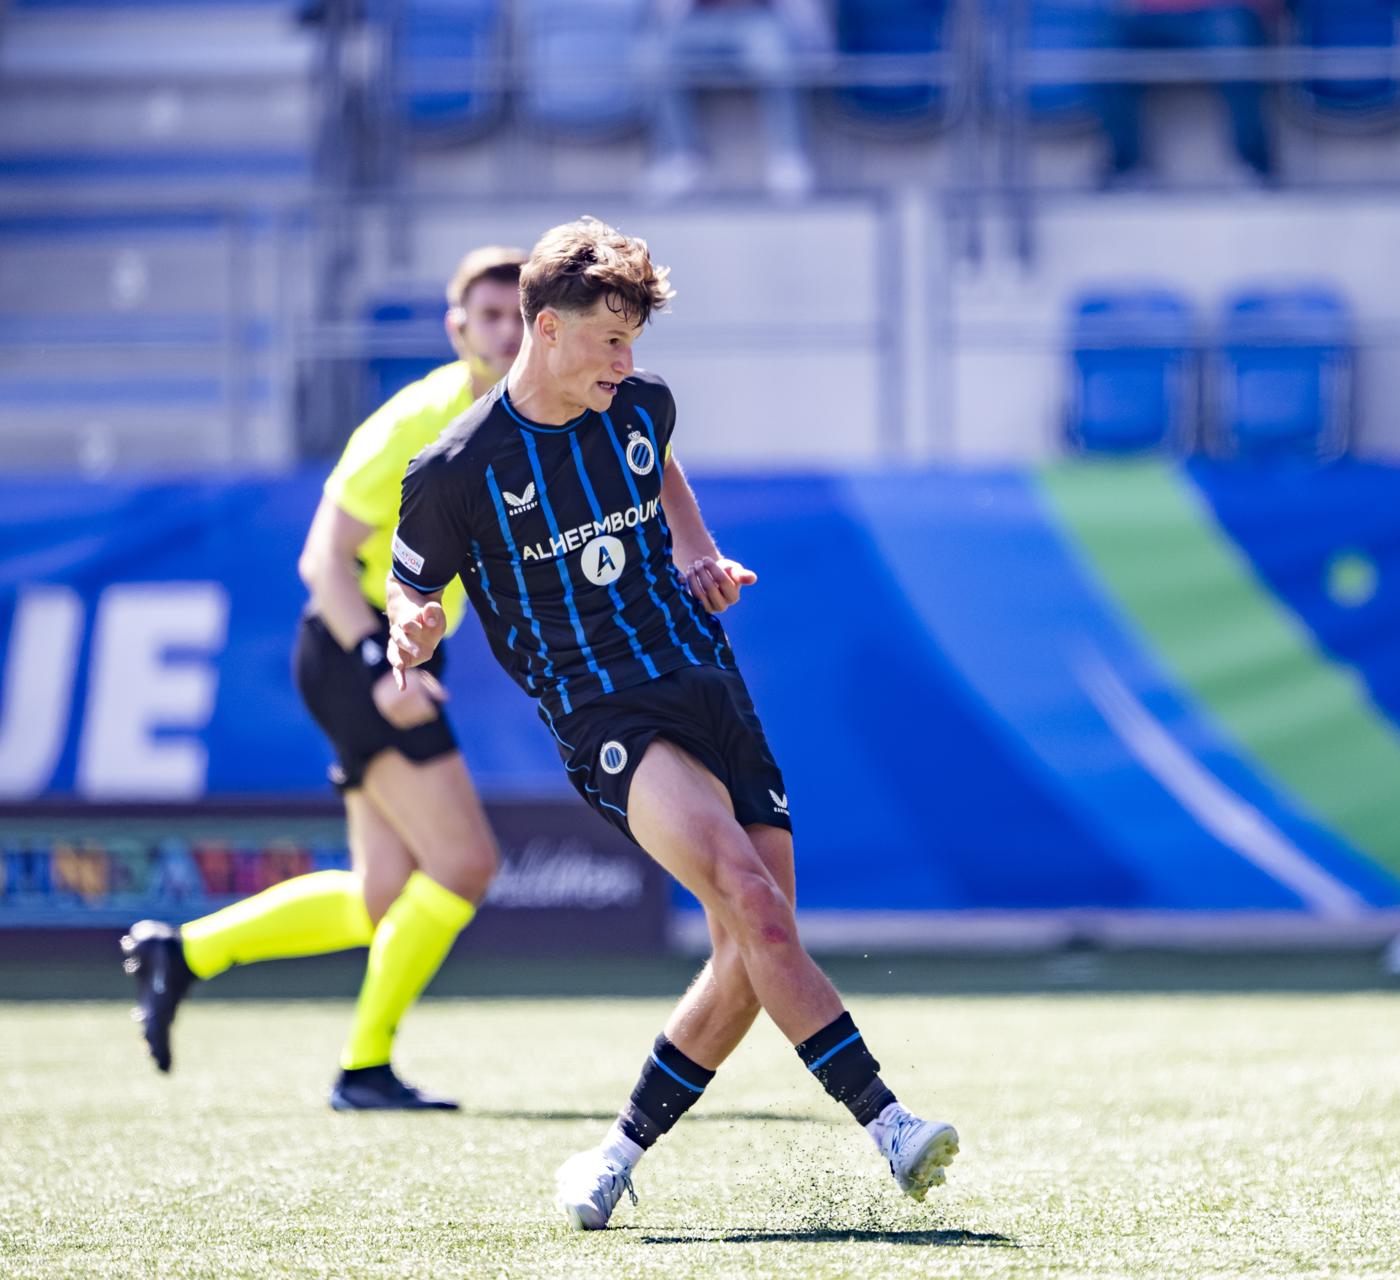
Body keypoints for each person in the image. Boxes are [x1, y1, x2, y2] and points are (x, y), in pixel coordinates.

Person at [381, 216, 959, 1228]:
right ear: (546, 327)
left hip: (708, 682)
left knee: (749, 950)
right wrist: (412, 631)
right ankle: (890, 1122)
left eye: (634, 341)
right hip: (603, 711)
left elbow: (661, 466)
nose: (627, 361)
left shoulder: (639, 404)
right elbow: (406, 588)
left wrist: (696, 547)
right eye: (610, 340)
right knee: (755, 904)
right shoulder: (454, 469)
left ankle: (613, 1152)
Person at [120, 246, 527, 1111]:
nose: (508, 330)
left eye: (521, 315)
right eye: (489, 316)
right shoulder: (416, 421)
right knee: (463, 863)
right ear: (456, 329)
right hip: (359, 652)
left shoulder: (526, 420)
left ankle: (184, 952)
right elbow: (323, 560)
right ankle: (365, 1069)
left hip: (397, 652)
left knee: (380, 894)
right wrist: (383, 666)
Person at [645, 0, 832, 201]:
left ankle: (789, 158)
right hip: (696, 21)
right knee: (656, 58)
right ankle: (683, 158)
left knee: (776, 57)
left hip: (757, 19)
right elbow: (664, 15)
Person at [1100, 0, 1275, 188]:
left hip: (1221, 10)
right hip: (1145, 13)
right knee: (1105, 52)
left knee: (1236, 48)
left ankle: (1253, 166)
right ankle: (1127, 168)